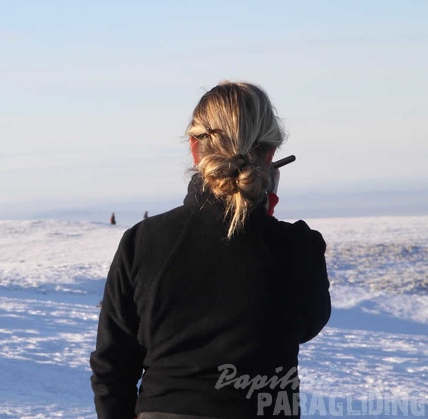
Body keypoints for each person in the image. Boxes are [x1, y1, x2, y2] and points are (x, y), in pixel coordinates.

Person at [90, 82, 331, 419]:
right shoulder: (299, 246)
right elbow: (306, 325)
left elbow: (112, 366)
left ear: (194, 146)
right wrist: (264, 217)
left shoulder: (142, 241)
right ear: (270, 153)